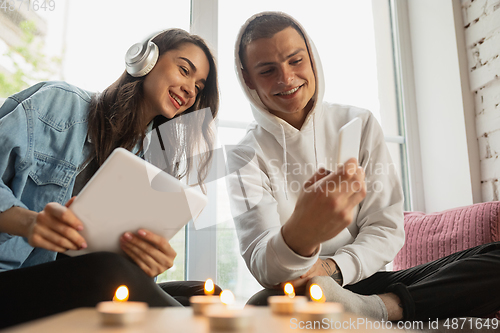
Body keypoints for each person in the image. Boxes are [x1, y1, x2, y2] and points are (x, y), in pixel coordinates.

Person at [226, 11, 500, 322]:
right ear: (247, 78)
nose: (286, 78)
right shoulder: (244, 156)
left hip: (364, 283)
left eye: (295, 61)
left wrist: (334, 269)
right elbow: (263, 263)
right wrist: (300, 236)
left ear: (312, 58)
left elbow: (386, 227)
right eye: (267, 70)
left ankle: (379, 309)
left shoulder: (358, 122)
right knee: (263, 302)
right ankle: (393, 312)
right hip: (302, 289)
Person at [0, 28, 220, 328]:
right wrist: (30, 223)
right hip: (12, 279)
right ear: (146, 59)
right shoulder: (59, 106)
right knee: (109, 269)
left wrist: (147, 261)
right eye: (184, 70)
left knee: (203, 296)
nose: (190, 90)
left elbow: (126, 276)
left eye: (198, 86)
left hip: (79, 282)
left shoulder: (151, 164)